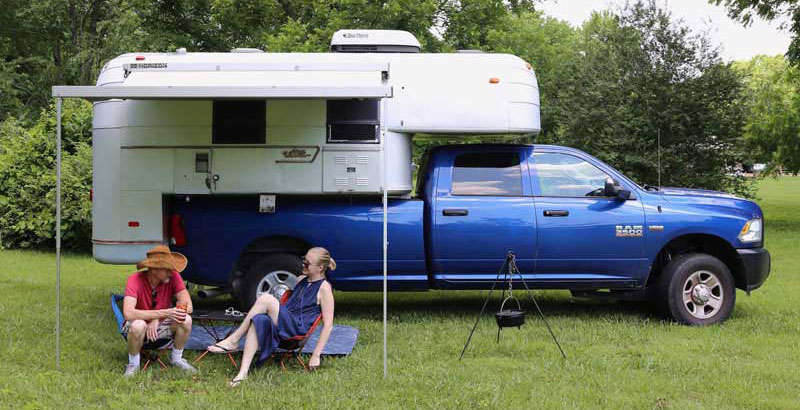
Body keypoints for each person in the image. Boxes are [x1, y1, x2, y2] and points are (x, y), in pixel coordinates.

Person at [207, 247, 336, 386]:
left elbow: (328, 325)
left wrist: (316, 355)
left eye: (307, 263)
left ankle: (234, 339)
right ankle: (242, 373)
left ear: (320, 267)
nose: (302, 264)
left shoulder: (324, 288)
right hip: (286, 322)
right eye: (303, 260)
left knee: (266, 298)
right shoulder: (301, 280)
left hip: (296, 330)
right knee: (258, 320)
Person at [121, 245, 197, 377]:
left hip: (161, 324)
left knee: (186, 319)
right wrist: (164, 313)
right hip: (138, 325)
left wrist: (157, 319)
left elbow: (188, 306)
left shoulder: (174, 276)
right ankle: (133, 364)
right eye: (167, 268)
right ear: (154, 270)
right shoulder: (135, 279)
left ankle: (177, 359)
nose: (171, 271)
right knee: (138, 325)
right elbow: (128, 313)